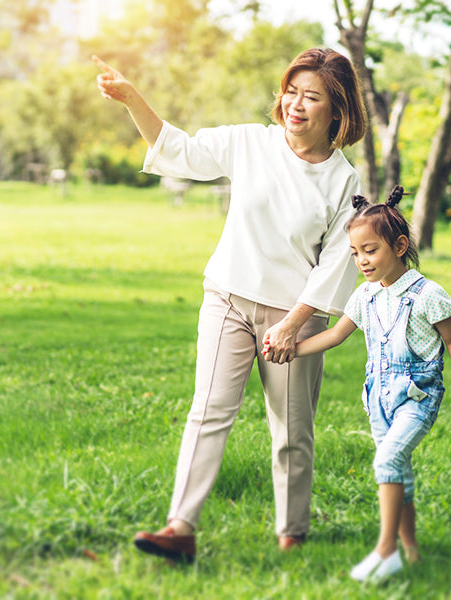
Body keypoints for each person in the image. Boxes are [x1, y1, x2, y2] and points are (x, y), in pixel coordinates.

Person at [94, 47, 368, 562]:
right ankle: (180, 527)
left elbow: (337, 263)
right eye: (292, 91)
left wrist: (293, 326)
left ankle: (293, 533)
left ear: (337, 111)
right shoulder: (250, 142)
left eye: (312, 97)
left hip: (294, 320)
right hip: (228, 298)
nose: (296, 104)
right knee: (208, 413)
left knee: (292, 431)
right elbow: (179, 149)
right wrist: (132, 98)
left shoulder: (343, 180)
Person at [263, 185, 451, 582]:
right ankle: (412, 551)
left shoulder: (428, 295)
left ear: (399, 246)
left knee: (386, 462)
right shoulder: (365, 297)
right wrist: (291, 348)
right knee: (399, 471)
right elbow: (334, 336)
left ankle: (386, 552)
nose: (362, 261)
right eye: (355, 253)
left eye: (371, 250)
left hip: (418, 398)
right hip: (378, 399)